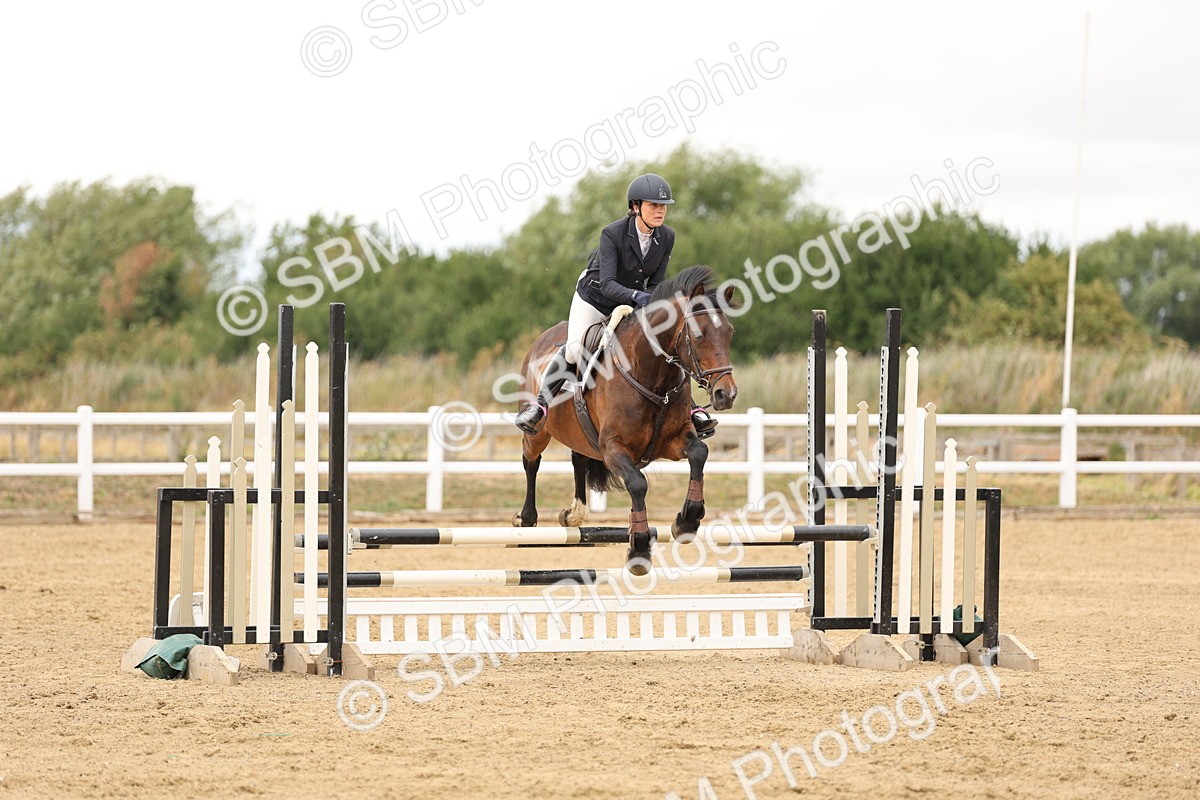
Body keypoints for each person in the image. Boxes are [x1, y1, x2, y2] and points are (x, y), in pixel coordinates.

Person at [514, 173, 719, 438]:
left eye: (663, 205)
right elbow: (608, 283)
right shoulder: (612, 233)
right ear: (636, 207)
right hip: (596, 296)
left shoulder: (666, 236)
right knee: (576, 350)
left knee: (664, 343)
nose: (660, 211)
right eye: (653, 205)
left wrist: (650, 300)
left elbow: (656, 282)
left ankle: (689, 410)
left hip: (633, 300)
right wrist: (638, 297)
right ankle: (539, 406)